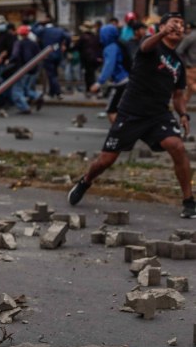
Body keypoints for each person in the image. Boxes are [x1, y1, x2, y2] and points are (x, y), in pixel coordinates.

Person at [69, 13, 194, 218]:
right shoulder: (150, 46)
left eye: (182, 24)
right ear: (162, 27)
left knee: (177, 146)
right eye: (174, 23)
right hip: (131, 113)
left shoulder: (178, 64)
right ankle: (85, 181)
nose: (179, 27)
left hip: (158, 115)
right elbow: (145, 47)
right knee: (106, 160)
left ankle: (189, 201)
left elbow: (178, 95)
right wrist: (161, 32)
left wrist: (183, 114)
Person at [89, 23, 130, 124]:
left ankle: (118, 133)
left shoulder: (110, 48)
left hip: (120, 82)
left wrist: (99, 83)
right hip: (127, 79)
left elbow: (109, 66)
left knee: (111, 110)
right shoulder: (119, 44)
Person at [33, 17, 71, 98]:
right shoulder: (59, 30)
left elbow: (33, 29)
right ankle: (52, 92)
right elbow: (68, 37)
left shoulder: (43, 31)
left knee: (51, 74)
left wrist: (38, 22)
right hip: (58, 54)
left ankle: (58, 92)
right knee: (55, 74)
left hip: (47, 55)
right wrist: (65, 46)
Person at [9, 26, 42, 114]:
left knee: (16, 90)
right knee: (26, 89)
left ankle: (24, 107)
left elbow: (15, 56)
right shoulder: (33, 43)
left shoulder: (18, 43)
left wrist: (9, 61)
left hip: (22, 69)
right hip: (33, 69)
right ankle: (37, 96)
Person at [77, 21, 101, 94]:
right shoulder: (95, 36)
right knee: (93, 74)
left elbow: (78, 47)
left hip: (86, 59)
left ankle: (89, 89)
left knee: (88, 75)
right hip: (95, 58)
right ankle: (94, 88)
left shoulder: (82, 37)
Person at [175, 22, 196, 103]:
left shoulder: (190, 37)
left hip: (191, 65)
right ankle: (182, 107)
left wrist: (184, 62)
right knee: (189, 90)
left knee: (191, 85)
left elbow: (179, 50)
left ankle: (182, 105)